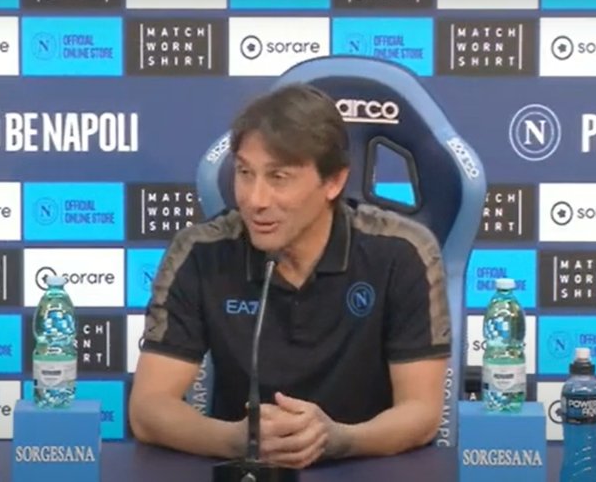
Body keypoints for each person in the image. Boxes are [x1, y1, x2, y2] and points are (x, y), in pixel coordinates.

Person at [128, 83, 451, 469]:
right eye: (245, 173)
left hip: (365, 467)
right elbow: (149, 408)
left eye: (278, 177)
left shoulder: (402, 251)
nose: (255, 200)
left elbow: (421, 412)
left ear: (333, 182)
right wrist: (240, 440)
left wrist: (337, 439)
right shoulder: (201, 252)